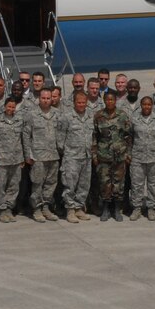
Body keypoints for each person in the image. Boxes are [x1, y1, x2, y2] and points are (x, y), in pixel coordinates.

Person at [93, 90, 133, 222]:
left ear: (115, 101)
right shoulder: (98, 116)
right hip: (103, 156)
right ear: (104, 100)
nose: (109, 102)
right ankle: (105, 209)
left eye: (112, 100)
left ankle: (116, 209)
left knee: (118, 184)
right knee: (104, 183)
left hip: (119, 156)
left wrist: (128, 153)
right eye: (107, 100)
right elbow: (95, 137)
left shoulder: (122, 115)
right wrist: (94, 155)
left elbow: (128, 136)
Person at [23, 88, 61, 222]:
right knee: (37, 183)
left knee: (51, 183)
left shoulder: (57, 114)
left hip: (54, 155)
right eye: (43, 98)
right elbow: (26, 135)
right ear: (39, 99)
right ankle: (37, 208)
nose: (45, 101)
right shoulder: (31, 114)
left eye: (48, 98)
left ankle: (46, 207)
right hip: (37, 156)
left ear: (52, 99)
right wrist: (28, 154)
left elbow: (61, 135)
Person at [58, 91, 95, 222]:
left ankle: (79, 208)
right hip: (71, 157)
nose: (81, 105)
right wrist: (68, 152)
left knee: (84, 184)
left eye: (83, 102)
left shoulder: (91, 116)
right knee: (70, 185)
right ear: (74, 103)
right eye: (79, 102)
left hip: (86, 156)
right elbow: (60, 139)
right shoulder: (66, 117)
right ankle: (70, 210)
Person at [129, 96, 155, 221]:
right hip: (138, 157)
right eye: (144, 104)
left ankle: (151, 208)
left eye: (149, 104)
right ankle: (137, 208)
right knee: (137, 185)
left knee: (154, 185)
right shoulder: (134, 119)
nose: (147, 107)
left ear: (152, 105)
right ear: (141, 105)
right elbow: (130, 136)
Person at [0, 98, 25, 223]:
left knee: (14, 185)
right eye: (9, 107)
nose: (11, 109)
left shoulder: (19, 120)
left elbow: (22, 139)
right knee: (0, 185)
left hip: (16, 158)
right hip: (1, 158)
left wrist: (22, 156)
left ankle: (8, 208)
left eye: (13, 107)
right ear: (4, 107)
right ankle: (1, 209)